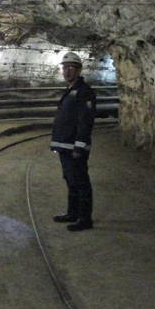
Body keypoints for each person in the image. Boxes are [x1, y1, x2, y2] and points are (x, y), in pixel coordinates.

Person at [50, 52, 97, 232]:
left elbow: (85, 122)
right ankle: (72, 213)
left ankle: (85, 219)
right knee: (70, 180)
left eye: (71, 67)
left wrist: (79, 145)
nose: (67, 71)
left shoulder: (84, 92)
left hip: (74, 147)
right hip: (64, 146)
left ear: (78, 70)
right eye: (64, 67)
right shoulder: (71, 90)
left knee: (80, 182)